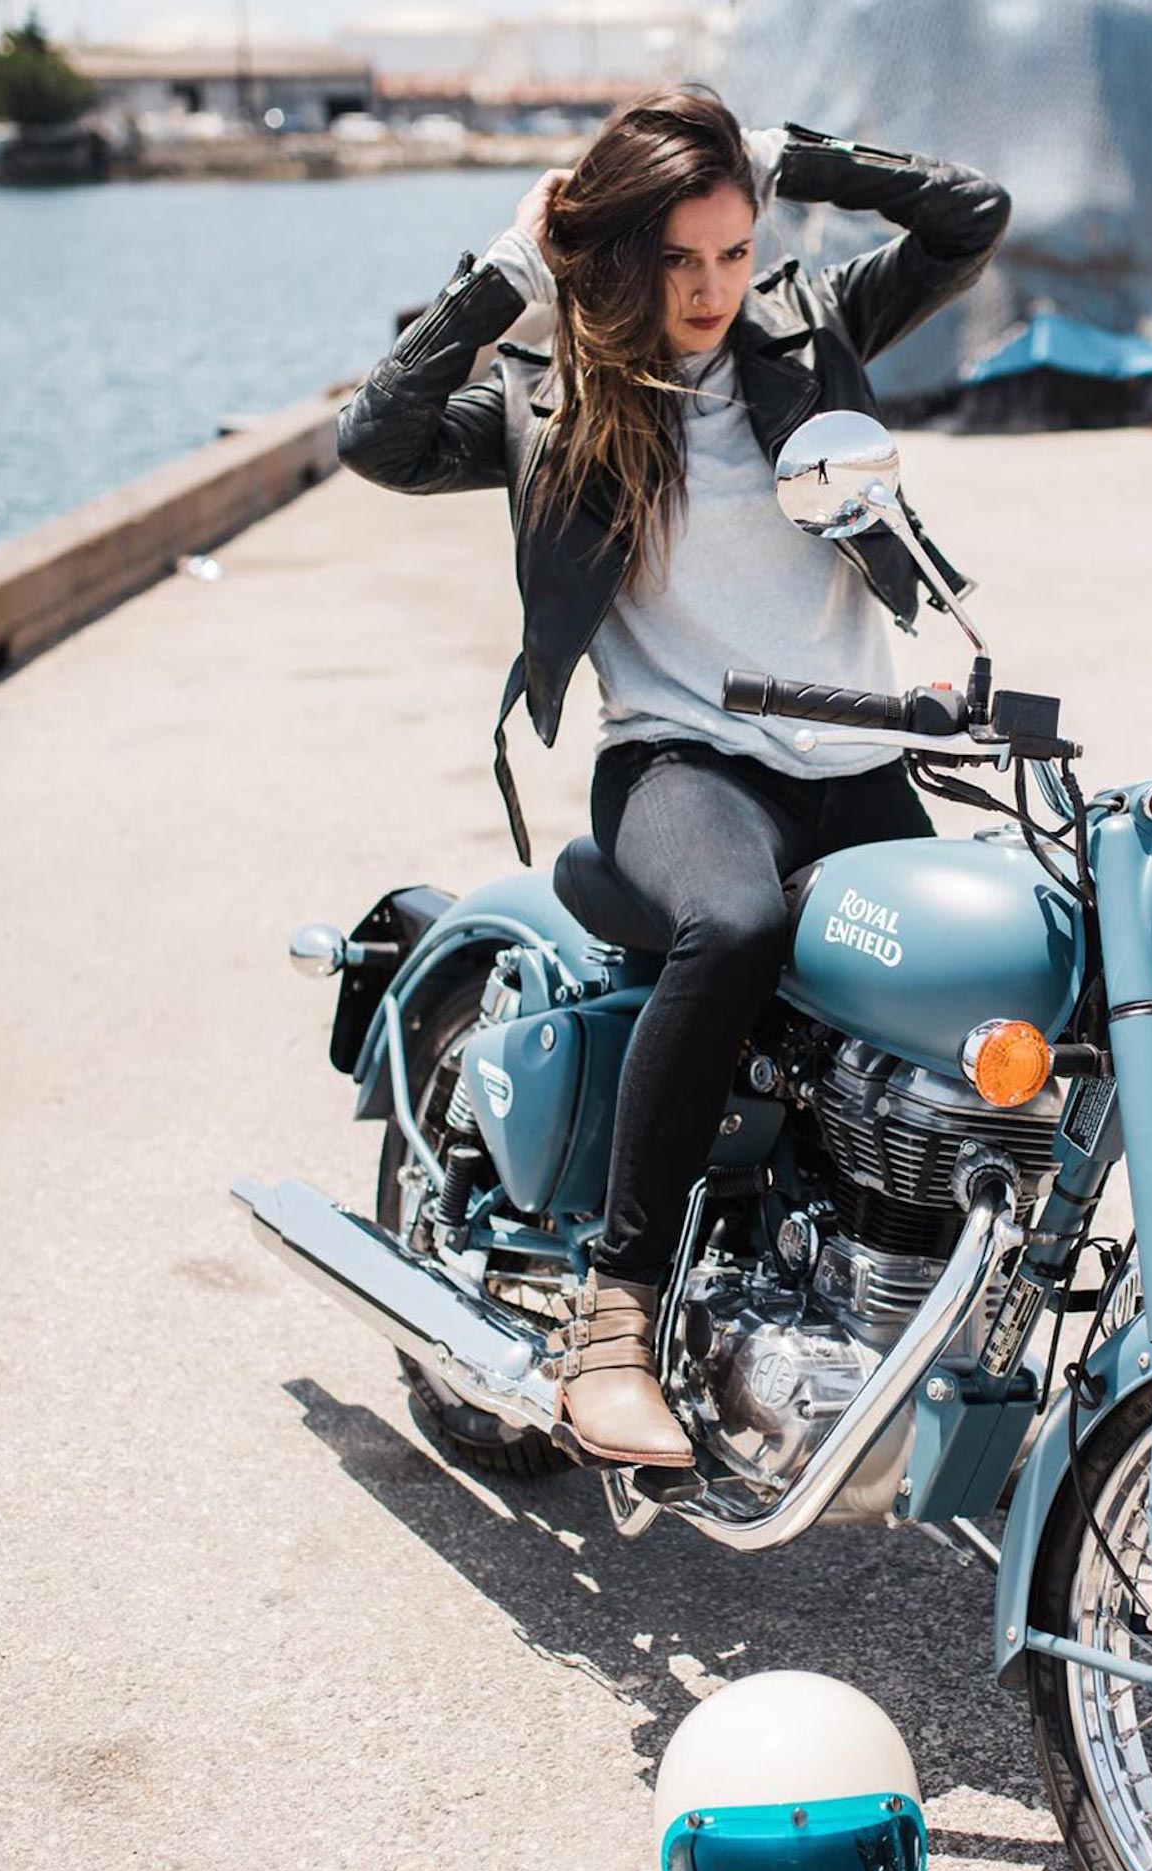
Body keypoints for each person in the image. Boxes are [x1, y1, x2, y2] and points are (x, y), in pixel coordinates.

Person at [336, 88, 1009, 1468]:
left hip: (860, 747)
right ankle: (616, 1316)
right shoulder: (551, 395)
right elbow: (378, 442)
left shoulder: (812, 327)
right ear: (621, 257)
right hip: (683, 760)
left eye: (731, 251)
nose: (709, 289)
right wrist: (505, 283)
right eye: (676, 259)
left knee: (1001, 969)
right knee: (740, 927)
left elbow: (970, 215)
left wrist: (799, 157)